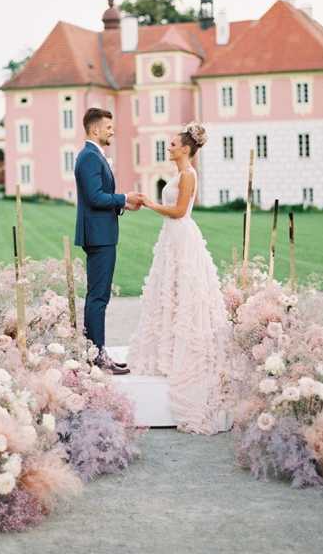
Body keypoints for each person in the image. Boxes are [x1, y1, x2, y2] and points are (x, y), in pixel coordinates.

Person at [127, 121, 231, 435]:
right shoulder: (178, 174)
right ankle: (168, 352)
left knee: (185, 293)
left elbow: (180, 210)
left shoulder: (187, 175)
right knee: (168, 292)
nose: (169, 148)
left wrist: (150, 204)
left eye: (173, 144)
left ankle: (185, 358)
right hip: (172, 239)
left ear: (185, 148)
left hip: (181, 235)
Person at [74, 108, 142, 375]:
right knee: (98, 297)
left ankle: (97, 352)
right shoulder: (90, 157)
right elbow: (95, 197)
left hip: (101, 233)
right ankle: (97, 356)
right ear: (95, 130)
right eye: (109, 127)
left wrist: (122, 205)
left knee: (97, 296)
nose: (113, 131)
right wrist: (124, 197)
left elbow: (101, 198)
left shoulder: (93, 156)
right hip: (99, 236)